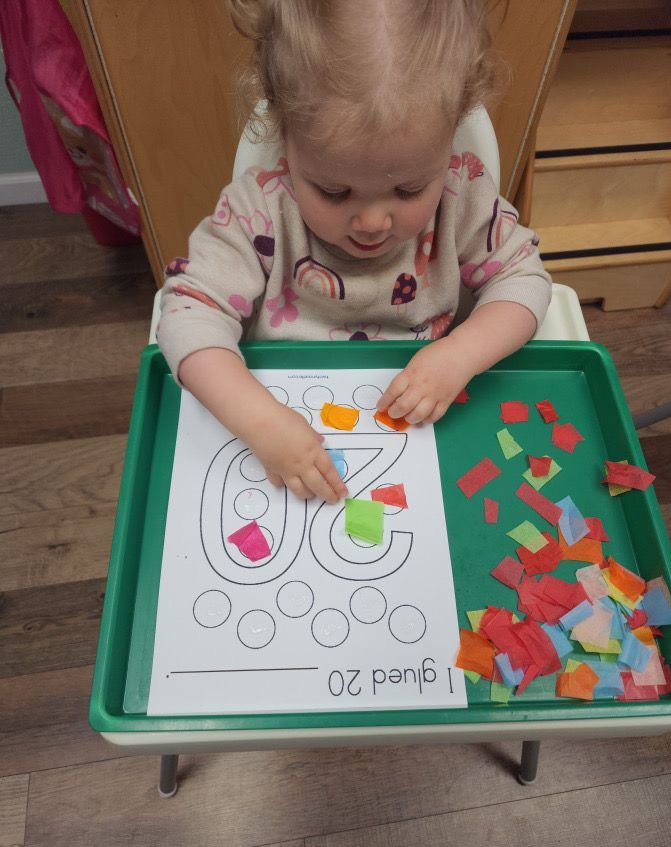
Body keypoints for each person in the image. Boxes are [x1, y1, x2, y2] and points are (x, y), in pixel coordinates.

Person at [157, 0, 551, 505]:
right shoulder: (258, 212)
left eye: (408, 190)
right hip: (275, 426)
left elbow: (527, 282)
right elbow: (186, 317)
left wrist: (462, 354)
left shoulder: (462, 196)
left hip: (426, 426)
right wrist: (256, 420)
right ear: (286, 138)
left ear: (449, 140)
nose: (372, 223)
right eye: (334, 192)